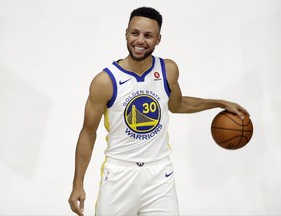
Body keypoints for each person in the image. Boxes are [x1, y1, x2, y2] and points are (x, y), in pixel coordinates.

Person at [68, 6, 249, 216]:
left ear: (158, 39)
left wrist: (218, 103)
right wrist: (78, 184)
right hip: (119, 174)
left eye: (148, 35)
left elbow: (177, 105)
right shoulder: (105, 81)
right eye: (135, 33)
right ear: (126, 33)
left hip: (159, 174)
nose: (140, 41)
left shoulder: (168, 70)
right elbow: (88, 133)